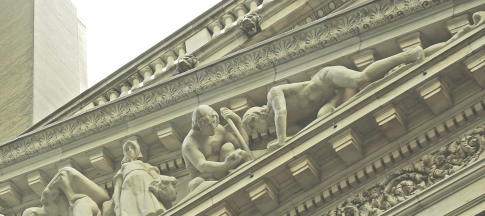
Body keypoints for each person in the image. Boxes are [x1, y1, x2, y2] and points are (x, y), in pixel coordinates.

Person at [242, 47, 424, 150]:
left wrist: (280, 140)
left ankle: (407, 55)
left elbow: (280, 112)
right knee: (323, 116)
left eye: (254, 129)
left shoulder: (273, 95)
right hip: (333, 98)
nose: (257, 134)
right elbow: (301, 135)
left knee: (361, 79)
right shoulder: (288, 125)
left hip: (327, 79)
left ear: (256, 117)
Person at [182, 105, 251, 194]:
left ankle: (236, 176)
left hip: (224, 174)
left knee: (228, 146)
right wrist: (225, 165)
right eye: (209, 125)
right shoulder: (189, 143)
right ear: (199, 125)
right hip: (205, 183)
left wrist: (237, 120)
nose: (214, 126)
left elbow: (243, 145)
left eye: (214, 122)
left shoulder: (219, 130)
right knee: (195, 183)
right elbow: (202, 166)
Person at [111, 140, 168, 216]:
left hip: (145, 188)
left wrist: (166, 181)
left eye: (132, 148)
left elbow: (157, 178)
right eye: (127, 149)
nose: (130, 150)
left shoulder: (143, 164)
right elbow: (117, 187)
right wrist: (117, 204)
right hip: (129, 192)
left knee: (151, 210)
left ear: (136, 150)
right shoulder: (123, 168)